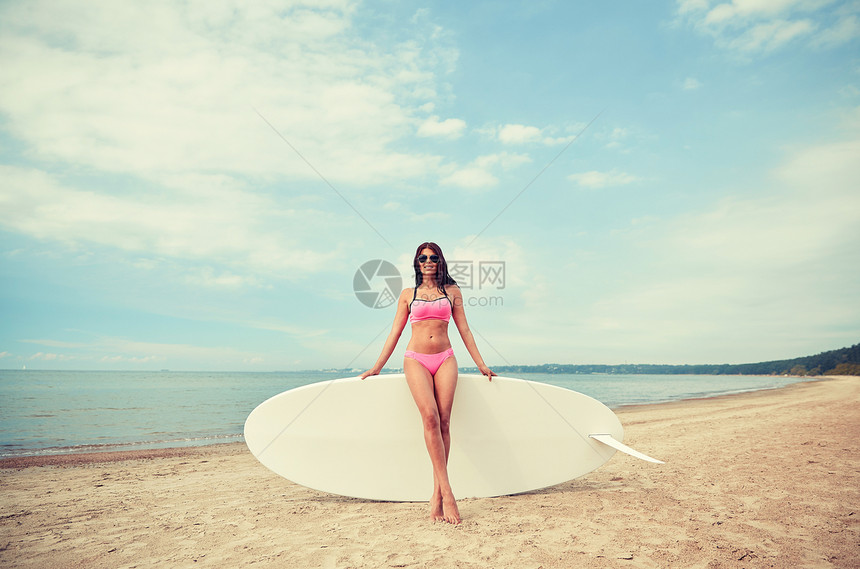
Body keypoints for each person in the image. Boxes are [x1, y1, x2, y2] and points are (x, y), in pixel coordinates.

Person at [361, 241, 496, 524]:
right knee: (430, 418)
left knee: (445, 422)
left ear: (440, 261)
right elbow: (394, 334)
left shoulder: (453, 293)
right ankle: (448, 494)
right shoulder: (408, 295)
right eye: (422, 257)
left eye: (433, 257)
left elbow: (465, 330)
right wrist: (377, 367)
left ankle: (435, 495)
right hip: (416, 359)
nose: (428, 261)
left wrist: (482, 363)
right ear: (416, 262)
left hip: (445, 358)